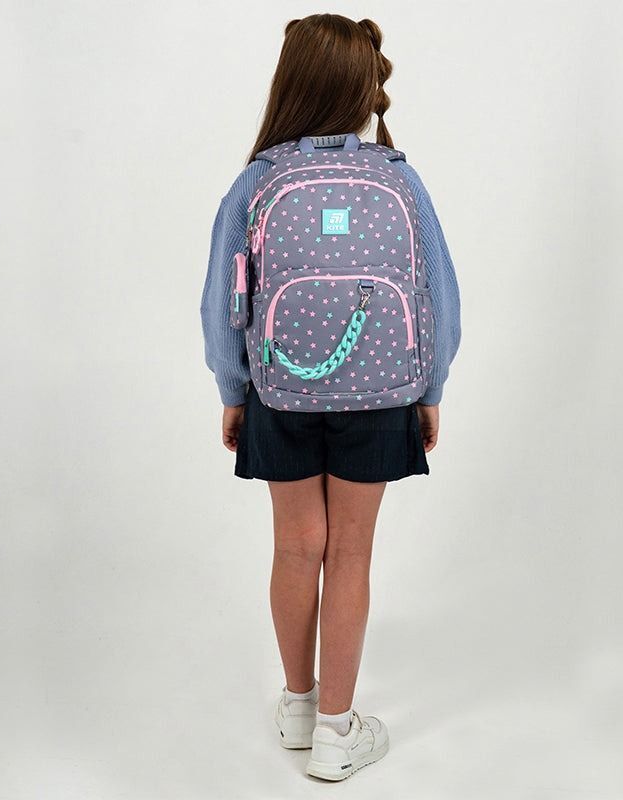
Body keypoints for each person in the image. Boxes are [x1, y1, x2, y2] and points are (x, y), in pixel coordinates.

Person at [200, 14, 462, 781]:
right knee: (350, 551)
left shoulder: (257, 181)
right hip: (381, 392)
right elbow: (439, 294)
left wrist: (234, 388)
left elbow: (221, 301)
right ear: (363, 87)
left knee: (294, 547)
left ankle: (297, 707)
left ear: (290, 83)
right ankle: (338, 733)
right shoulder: (398, 179)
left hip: (277, 391)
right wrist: (429, 385)